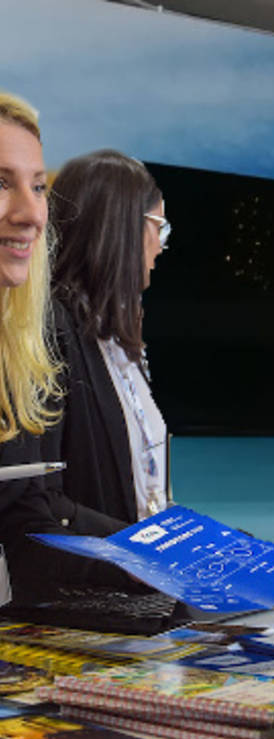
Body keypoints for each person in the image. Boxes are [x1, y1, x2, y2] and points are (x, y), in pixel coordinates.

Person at [0, 95, 136, 595]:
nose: (31, 213)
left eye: (38, 187)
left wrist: (171, 560)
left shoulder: (19, 354)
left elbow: (28, 516)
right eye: (0, 183)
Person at [43, 150, 170, 525]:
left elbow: (146, 494)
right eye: (158, 227)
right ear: (121, 225)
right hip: (103, 577)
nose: (161, 246)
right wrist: (142, 553)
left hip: (138, 573)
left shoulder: (118, 343)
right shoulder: (53, 332)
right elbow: (40, 504)